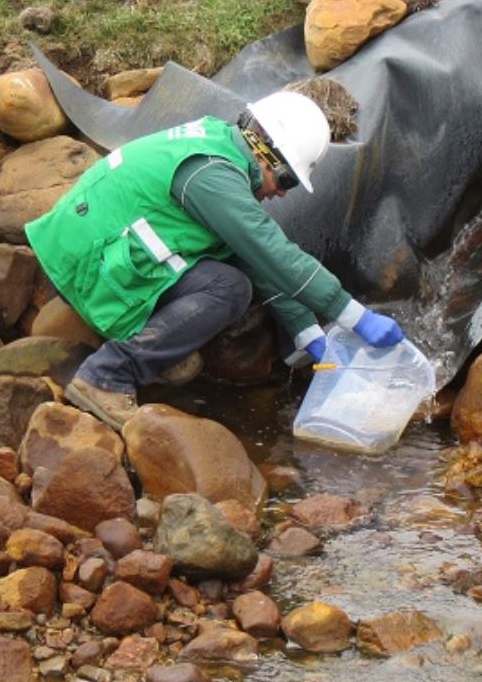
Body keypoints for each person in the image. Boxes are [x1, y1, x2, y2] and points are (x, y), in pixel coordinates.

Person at [25, 91, 406, 430]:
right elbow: (271, 251)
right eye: (287, 181)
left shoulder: (216, 145)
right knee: (228, 289)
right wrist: (354, 316)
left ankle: (149, 353)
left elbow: (251, 252)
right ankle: (106, 375)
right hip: (83, 264)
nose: (282, 195)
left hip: (85, 246)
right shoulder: (212, 177)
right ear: (265, 154)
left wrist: (308, 333)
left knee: (233, 269)